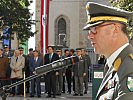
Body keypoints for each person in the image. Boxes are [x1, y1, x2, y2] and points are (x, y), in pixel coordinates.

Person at [83, 2, 133, 100]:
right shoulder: (115, 64)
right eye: (89, 31)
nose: (90, 36)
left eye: (94, 29)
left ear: (115, 29)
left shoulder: (129, 68)